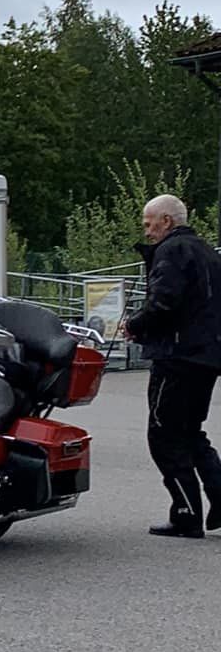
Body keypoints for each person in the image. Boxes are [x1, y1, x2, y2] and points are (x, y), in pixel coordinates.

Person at [125, 194, 221, 538]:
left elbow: (164, 301)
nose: (147, 231)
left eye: (149, 223)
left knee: (164, 434)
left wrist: (135, 325)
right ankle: (217, 498)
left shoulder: (172, 251)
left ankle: (185, 512)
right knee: (190, 431)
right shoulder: (207, 252)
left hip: (177, 355)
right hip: (207, 355)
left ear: (166, 220)